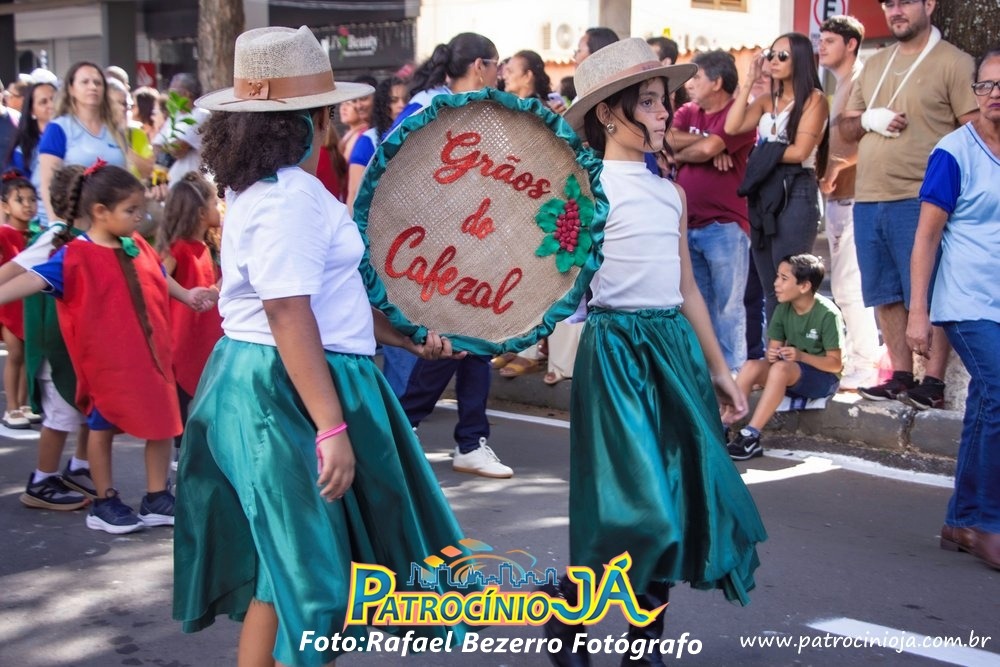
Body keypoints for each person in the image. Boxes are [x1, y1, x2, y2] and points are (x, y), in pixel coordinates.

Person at [172, 26, 477, 666]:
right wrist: (331, 427)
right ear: (308, 121)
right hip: (282, 390)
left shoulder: (270, 190)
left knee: (284, 575)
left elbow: (324, 303)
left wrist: (403, 336)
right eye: (327, 113)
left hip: (278, 379)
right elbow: (286, 311)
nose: (333, 124)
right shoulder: (288, 197)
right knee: (315, 585)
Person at [545, 38, 766, 665]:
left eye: (664, 100)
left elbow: (687, 288)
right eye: (648, 102)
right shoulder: (583, 193)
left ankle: (644, 648)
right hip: (615, 352)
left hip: (674, 351)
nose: (665, 112)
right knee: (631, 505)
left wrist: (720, 369)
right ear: (608, 114)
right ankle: (567, 611)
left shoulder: (670, 192)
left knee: (673, 495)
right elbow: (553, 282)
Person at [0, 162, 216, 533]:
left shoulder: (137, 245)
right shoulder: (74, 254)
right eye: (132, 210)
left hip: (152, 359)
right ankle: (104, 501)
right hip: (108, 365)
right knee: (101, 428)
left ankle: (156, 497)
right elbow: (29, 282)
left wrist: (187, 295)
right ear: (100, 211)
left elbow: (159, 276)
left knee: (163, 424)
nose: (141, 217)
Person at [383, 32, 515, 478]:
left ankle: (463, 438)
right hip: (433, 248)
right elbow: (390, 173)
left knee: (474, 339)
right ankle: (413, 425)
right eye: (497, 64)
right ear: (480, 66)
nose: (500, 74)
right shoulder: (426, 110)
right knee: (456, 342)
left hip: (472, 241)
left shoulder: (476, 111)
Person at [840, 0, 978, 409]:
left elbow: (975, 130)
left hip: (921, 196)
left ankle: (933, 381)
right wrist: (868, 119)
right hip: (869, 195)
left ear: (929, 4)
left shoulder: (954, 62)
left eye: (905, 2)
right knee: (883, 292)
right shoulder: (875, 63)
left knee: (930, 290)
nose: (895, 10)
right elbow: (846, 128)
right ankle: (900, 375)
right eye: (889, 4)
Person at [907, 47, 1000, 571]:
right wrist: (918, 313)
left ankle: (961, 520)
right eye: (985, 85)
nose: (993, 94)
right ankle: (987, 522)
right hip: (967, 299)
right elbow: (925, 238)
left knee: (988, 403)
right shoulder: (954, 151)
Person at [7, 164, 94, 510]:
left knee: (90, 407)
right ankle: (42, 480)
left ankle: (80, 467)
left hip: (82, 343)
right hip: (55, 345)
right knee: (61, 415)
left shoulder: (96, 236)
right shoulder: (55, 236)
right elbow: (12, 272)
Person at [726, 33, 829, 322]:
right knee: (772, 286)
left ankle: (794, 347)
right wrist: (749, 80)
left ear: (801, 59)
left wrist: (760, 155)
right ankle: (775, 346)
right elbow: (732, 127)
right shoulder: (765, 100)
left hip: (797, 188)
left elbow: (800, 151)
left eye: (783, 56)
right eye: (771, 54)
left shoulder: (814, 99)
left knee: (791, 281)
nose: (774, 60)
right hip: (765, 190)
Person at [667, 50, 756, 374]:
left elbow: (708, 149)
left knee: (728, 306)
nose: (689, 85)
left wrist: (694, 150)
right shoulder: (688, 111)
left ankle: (732, 375)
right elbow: (668, 139)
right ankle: (704, 373)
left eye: (697, 78)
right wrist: (706, 143)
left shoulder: (739, 113)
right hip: (687, 225)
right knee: (697, 305)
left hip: (725, 225)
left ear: (717, 82)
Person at [817, 15, 881, 391]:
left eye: (829, 40)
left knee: (848, 285)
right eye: (821, 40)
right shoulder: (840, 84)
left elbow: (874, 134)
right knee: (843, 286)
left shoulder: (862, 79)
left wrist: (838, 166)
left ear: (851, 44)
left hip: (860, 195)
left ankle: (866, 363)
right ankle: (860, 359)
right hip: (839, 197)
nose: (821, 46)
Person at [728, 254, 844, 460]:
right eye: (777, 277)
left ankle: (751, 436)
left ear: (804, 286)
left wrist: (801, 356)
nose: (776, 283)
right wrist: (773, 354)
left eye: (783, 278)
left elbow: (835, 365)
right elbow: (771, 356)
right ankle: (723, 425)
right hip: (791, 373)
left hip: (823, 379)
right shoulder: (783, 309)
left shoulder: (828, 314)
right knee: (751, 366)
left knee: (781, 369)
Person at [156, 171, 223, 466]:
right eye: (214, 203)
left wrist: (214, 290)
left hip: (206, 337)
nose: (219, 208)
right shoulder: (179, 249)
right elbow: (157, 275)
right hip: (183, 338)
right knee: (183, 396)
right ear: (199, 213)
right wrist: (184, 293)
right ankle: (179, 452)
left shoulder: (208, 247)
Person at [37, 62, 128, 227]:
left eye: (97, 82)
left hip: (113, 222)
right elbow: (47, 183)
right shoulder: (59, 128)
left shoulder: (115, 130)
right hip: (74, 223)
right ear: (71, 89)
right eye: (85, 82)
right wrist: (56, 225)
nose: (92, 87)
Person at [0, 171, 41, 428]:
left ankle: (25, 403)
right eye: (20, 200)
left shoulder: (38, 235)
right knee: (15, 354)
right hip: (9, 304)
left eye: (32, 199)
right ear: (5, 206)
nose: (27, 205)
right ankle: (11, 407)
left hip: (30, 302)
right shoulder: (3, 234)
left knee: (29, 354)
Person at [345, 75, 409, 212]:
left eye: (406, 100)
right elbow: (354, 193)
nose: (401, 105)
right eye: (394, 101)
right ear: (384, 105)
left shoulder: (417, 136)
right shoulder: (368, 140)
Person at [153, 73, 209, 187]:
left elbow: (178, 149)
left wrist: (166, 149)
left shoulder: (201, 114)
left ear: (186, 94)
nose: (169, 96)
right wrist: (159, 182)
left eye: (172, 92)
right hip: (170, 185)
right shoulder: (175, 115)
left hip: (192, 185)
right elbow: (156, 146)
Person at [7, 82, 57, 183]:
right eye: (43, 102)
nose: (51, 105)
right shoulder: (23, 149)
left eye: (54, 99)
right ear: (32, 111)